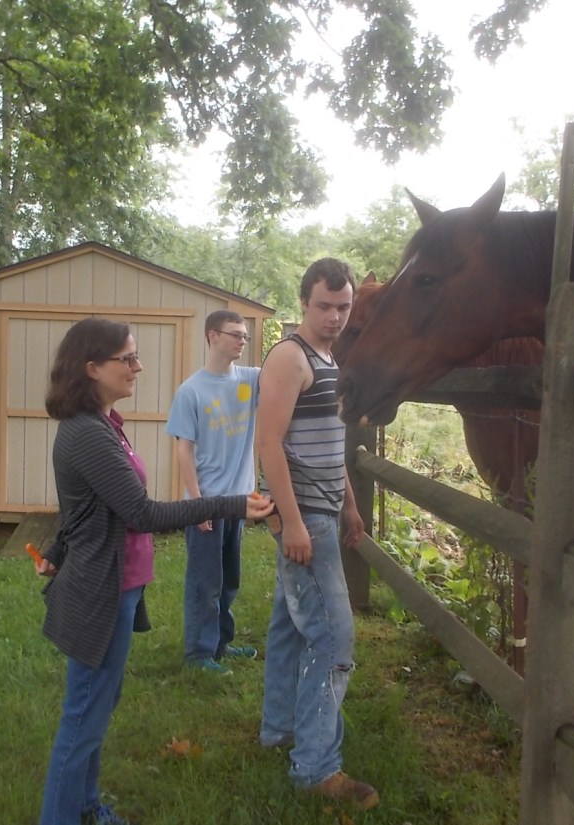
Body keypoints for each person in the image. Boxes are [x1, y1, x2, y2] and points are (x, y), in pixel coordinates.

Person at [35, 317, 273, 825]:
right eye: (127, 359)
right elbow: (141, 513)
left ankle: (86, 805)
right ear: (92, 368)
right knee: (84, 716)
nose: (138, 367)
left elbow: (81, 505)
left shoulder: (105, 424)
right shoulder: (89, 434)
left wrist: (57, 545)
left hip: (117, 586)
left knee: (99, 705)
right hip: (100, 591)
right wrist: (230, 504)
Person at [255, 258, 375, 809]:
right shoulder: (290, 356)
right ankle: (316, 768)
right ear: (304, 302)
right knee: (333, 636)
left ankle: (279, 729)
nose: (334, 316)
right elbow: (269, 443)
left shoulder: (330, 358)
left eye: (343, 307)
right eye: (324, 306)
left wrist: (350, 504)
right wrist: (293, 522)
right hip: (304, 515)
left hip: (325, 509)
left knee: (289, 625)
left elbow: (330, 442)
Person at [165, 310, 262, 674]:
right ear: (212, 336)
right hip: (206, 502)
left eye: (244, 335)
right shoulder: (191, 390)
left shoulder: (250, 380)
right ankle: (198, 653)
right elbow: (184, 450)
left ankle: (221, 644)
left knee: (229, 579)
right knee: (204, 583)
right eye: (235, 334)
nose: (242, 341)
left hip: (239, 502)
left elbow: (288, 374)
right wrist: (198, 502)